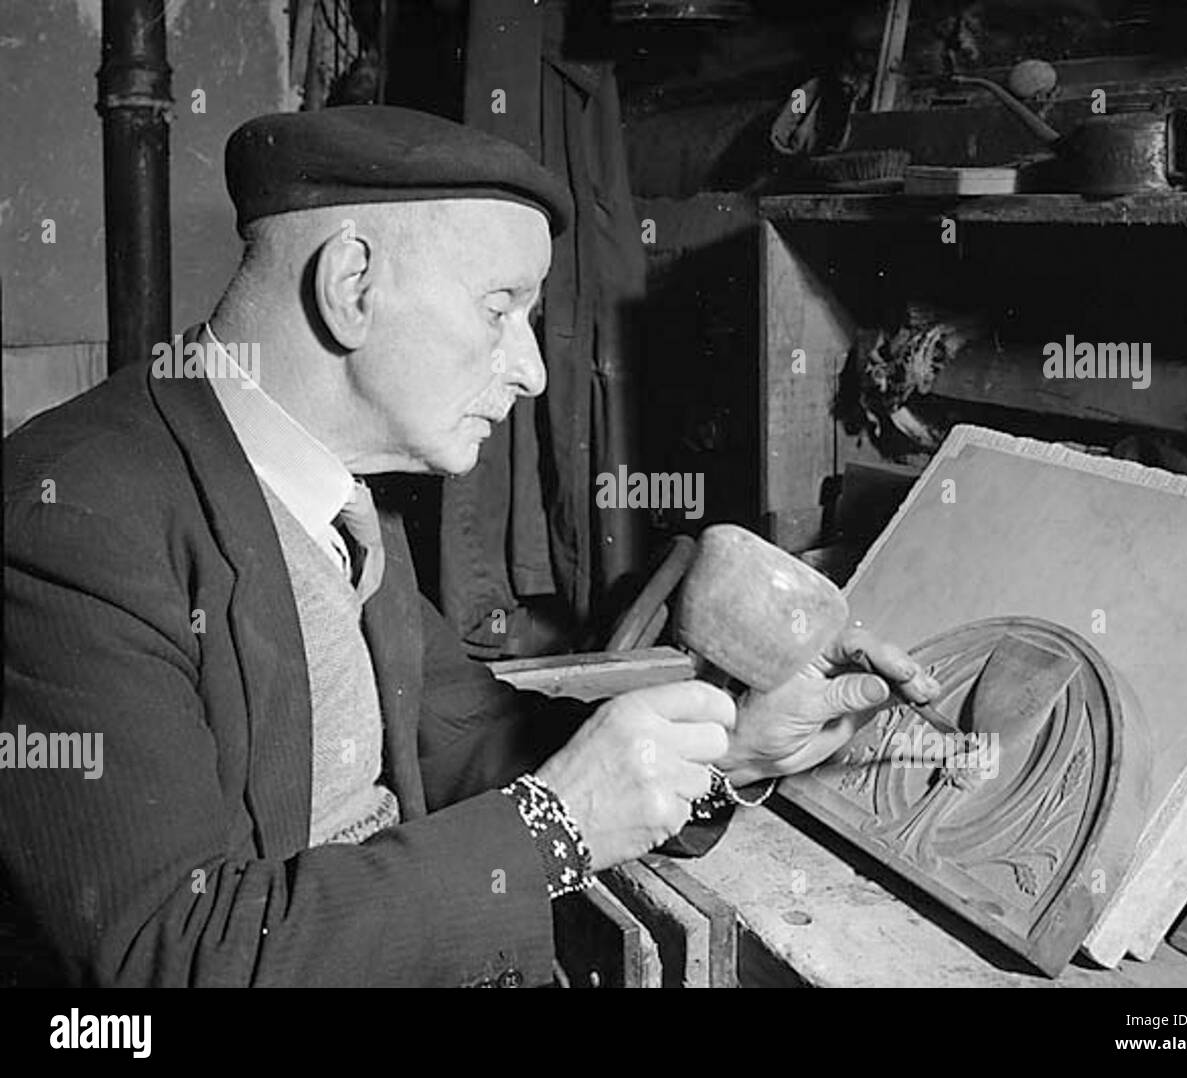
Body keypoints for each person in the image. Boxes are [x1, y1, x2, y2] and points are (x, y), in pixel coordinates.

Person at [1, 106, 940, 987]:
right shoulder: (72, 516)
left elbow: (469, 740)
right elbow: (168, 956)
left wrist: (729, 747)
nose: (531, 371)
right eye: (502, 309)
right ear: (352, 286)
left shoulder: (339, 487)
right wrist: (554, 828)